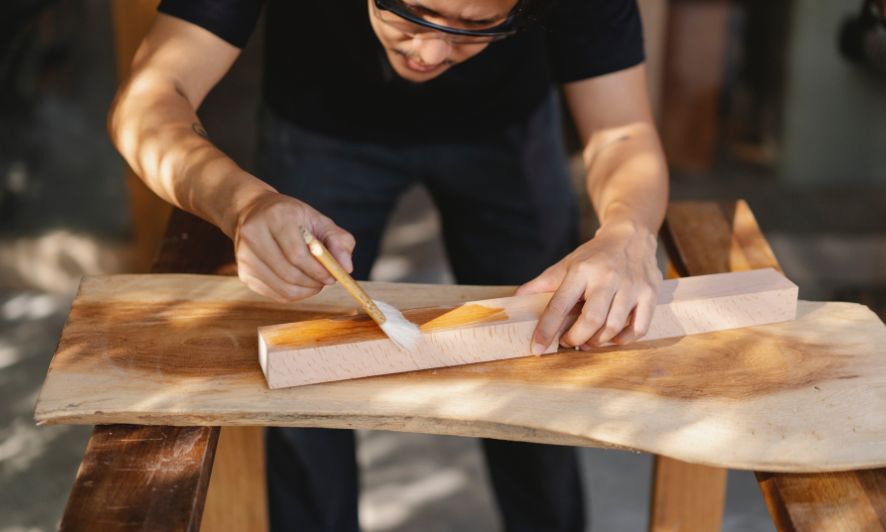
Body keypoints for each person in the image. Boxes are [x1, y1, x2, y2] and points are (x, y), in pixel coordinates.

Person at [108, 0, 668, 529]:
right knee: (302, 365)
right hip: (319, 121)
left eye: (476, 26)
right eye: (411, 14)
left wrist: (629, 230)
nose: (428, 53)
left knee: (545, 346)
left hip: (506, 127)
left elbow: (621, 130)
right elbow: (151, 97)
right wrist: (242, 203)